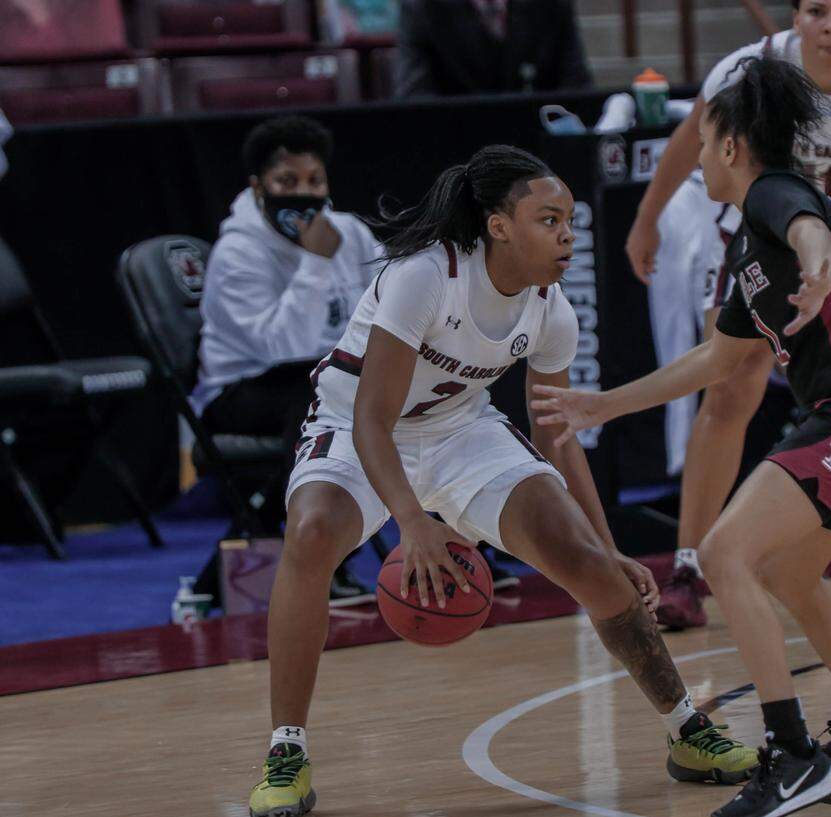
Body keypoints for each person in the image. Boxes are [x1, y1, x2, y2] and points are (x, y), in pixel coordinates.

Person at [247, 145, 759, 817]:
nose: (567, 235)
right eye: (549, 219)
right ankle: (286, 751)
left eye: (571, 221)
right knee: (311, 533)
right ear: (498, 225)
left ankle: (687, 729)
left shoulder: (553, 311)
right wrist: (413, 521)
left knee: (585, 565)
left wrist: (603, 546)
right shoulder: (424, 276)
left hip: (463, 430)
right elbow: (374, 419)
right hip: (355, 427)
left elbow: (555, 432)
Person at [533, 57, 831, 817]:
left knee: (722, 553)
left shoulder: (777, 194)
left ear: (734, 148)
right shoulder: (749, 247)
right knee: (786, 573)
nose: (699, 160)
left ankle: (796, 755)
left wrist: (819, 266)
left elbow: (812, 229)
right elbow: (720, 358)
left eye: (705, 143)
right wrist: (604, 405)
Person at [630, 0, 831, 631]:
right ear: (795, 19)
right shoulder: (752, 68)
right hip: (759, 237)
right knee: (730, 386)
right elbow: (691, 140)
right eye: (816, 10)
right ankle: (688, 566)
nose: (829, 24)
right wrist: (647, 218)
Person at [187, 115, 377, 610]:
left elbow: (388, 306)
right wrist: (314, 263)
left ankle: (465, 544)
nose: (305, 194)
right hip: (240, 390)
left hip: (327, 379)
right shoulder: (237, 253)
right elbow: (283, 346)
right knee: (320, 397)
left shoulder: (350, 234)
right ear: (258, 187)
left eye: (314, 181)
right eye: (287, 182)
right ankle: (321, 562)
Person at [394, 0, 592, 98]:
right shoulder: (421, 7)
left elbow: (578, 92)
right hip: (455, 161)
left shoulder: (551, 5)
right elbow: (416, 103)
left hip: (539, 162)